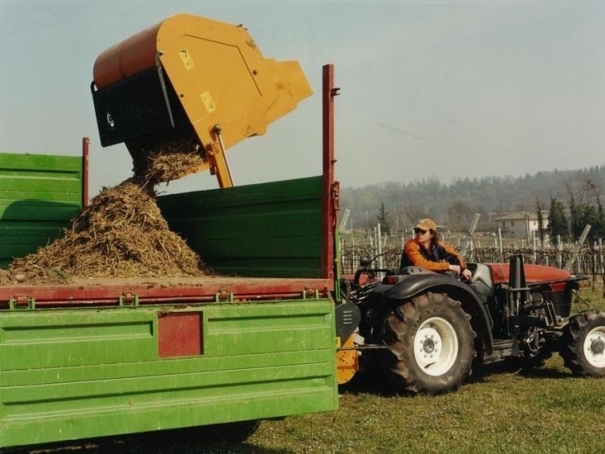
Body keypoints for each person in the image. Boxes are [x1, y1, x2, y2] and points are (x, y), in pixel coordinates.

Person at [400, 218, 472, 280]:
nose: (419, 233)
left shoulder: (438, 245)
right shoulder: (411, 245)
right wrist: (448, 266)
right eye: (417, 230)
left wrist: (463, 269)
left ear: (432, 234)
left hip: (428, 277)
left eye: (423, 231)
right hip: (410, 278)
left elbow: (454, 255)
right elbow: (422, 264)